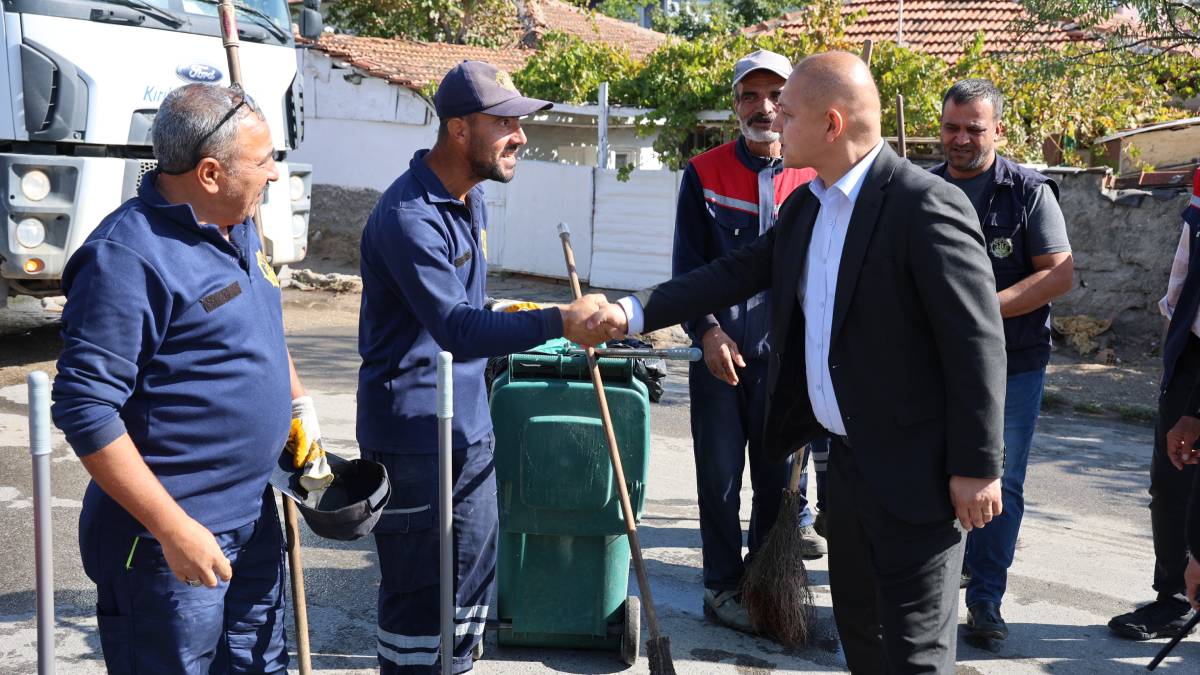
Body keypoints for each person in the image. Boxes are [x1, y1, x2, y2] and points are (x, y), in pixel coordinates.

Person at [587, 51, 1007, 671]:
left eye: (786, 112)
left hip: (916, 477)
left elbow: (977, 342)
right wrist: (628, 312)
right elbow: (729, 273)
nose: (774, 122)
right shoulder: (809, 206)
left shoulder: (924, 205)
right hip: (850, 472)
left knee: (915, 654)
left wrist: (977, 466)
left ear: (831, 124)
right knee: (863, 641)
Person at [51, 83, 325, 673]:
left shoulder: (238, 224)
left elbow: (261, 324)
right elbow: (84, 408)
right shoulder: (125, 258)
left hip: (253, 517)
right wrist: (173, 529)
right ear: (209, 173)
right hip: (165, 546)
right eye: (262, 161)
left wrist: (298, 407)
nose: (274, 173)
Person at [356, 60, 612, 674]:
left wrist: (511, 311)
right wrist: (558, 320)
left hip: (468, 426)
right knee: (420, 602)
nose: (520, 137)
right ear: (459, 129)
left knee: (470, 582)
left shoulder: (467, 202)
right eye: (505, 123)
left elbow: (468, 307)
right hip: (415, 438)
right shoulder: (409, 216)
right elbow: (457, 329)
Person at [671, 48, 826, 633]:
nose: (763, 107)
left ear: (791, 103)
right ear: (735, 105)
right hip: (718, 360)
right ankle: (720, 587)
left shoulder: (815, 175)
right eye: (749, 96)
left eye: (774, 96)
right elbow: (688, 271)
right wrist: (707, 331)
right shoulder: (704, 174)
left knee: (778, 483)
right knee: (718, 481)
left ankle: (767, 585)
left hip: (788, 364)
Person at [930, 78, 1074, 645]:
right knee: (932, 473)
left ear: (999, 131)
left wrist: (981, 310)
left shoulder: (1028, 192)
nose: (961, 139)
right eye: (952, 127)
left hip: (1013, 365)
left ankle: (985, 598)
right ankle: (934, 586)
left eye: (974, 128)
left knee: (1000, 480)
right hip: (933, 364)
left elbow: (1058, 274)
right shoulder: (920, 189)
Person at [1110, 169, 1200, 639]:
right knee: (1172, 483)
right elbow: (1184, 279)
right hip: (1189, 351)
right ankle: (1176, 598)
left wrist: (1195, 410)